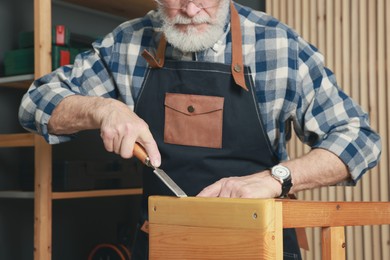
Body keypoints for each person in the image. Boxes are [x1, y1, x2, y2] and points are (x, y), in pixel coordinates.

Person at [18, 0, 381, 259]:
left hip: (261, 244)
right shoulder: (126, 44)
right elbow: (35, 103)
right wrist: (102, 108)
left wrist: (276, 178)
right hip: (163, 243)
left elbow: (359, 139)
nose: (191, 10)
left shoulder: (278, 45)